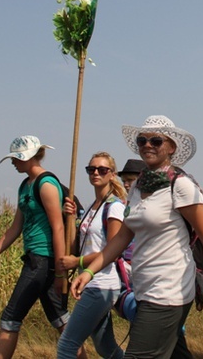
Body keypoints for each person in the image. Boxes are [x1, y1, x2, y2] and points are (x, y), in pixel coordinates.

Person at [70, 115, 203, 358]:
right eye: (142, 140)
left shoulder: (180, 185)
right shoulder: (137, 186)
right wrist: (89, 270)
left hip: (169, 290)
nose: (148, 145)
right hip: (144, 289)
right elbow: (122, 237)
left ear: (171, 148)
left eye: (156, 140)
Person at [0, 136, 69, 359]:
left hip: (43, 261)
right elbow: (15, 228)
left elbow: (58, 228)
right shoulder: (25, 186)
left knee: (10, 318)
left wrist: (61, 272)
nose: (13, 163)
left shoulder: (46, 185)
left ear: (30, 157)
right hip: (35, 259)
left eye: (16, 158)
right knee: (63, 324)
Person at [56, 152, 127, 359]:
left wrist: (76, 262)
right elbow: (76, 248)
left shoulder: (114, 207)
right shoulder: (88, 208)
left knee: (67, 346)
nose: (96, 173)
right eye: (91, 169)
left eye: (102, 170)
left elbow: (113, 250)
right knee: (106, 348)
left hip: (102, 284)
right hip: (90, 284)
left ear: (112, 175)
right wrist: (69, 218)